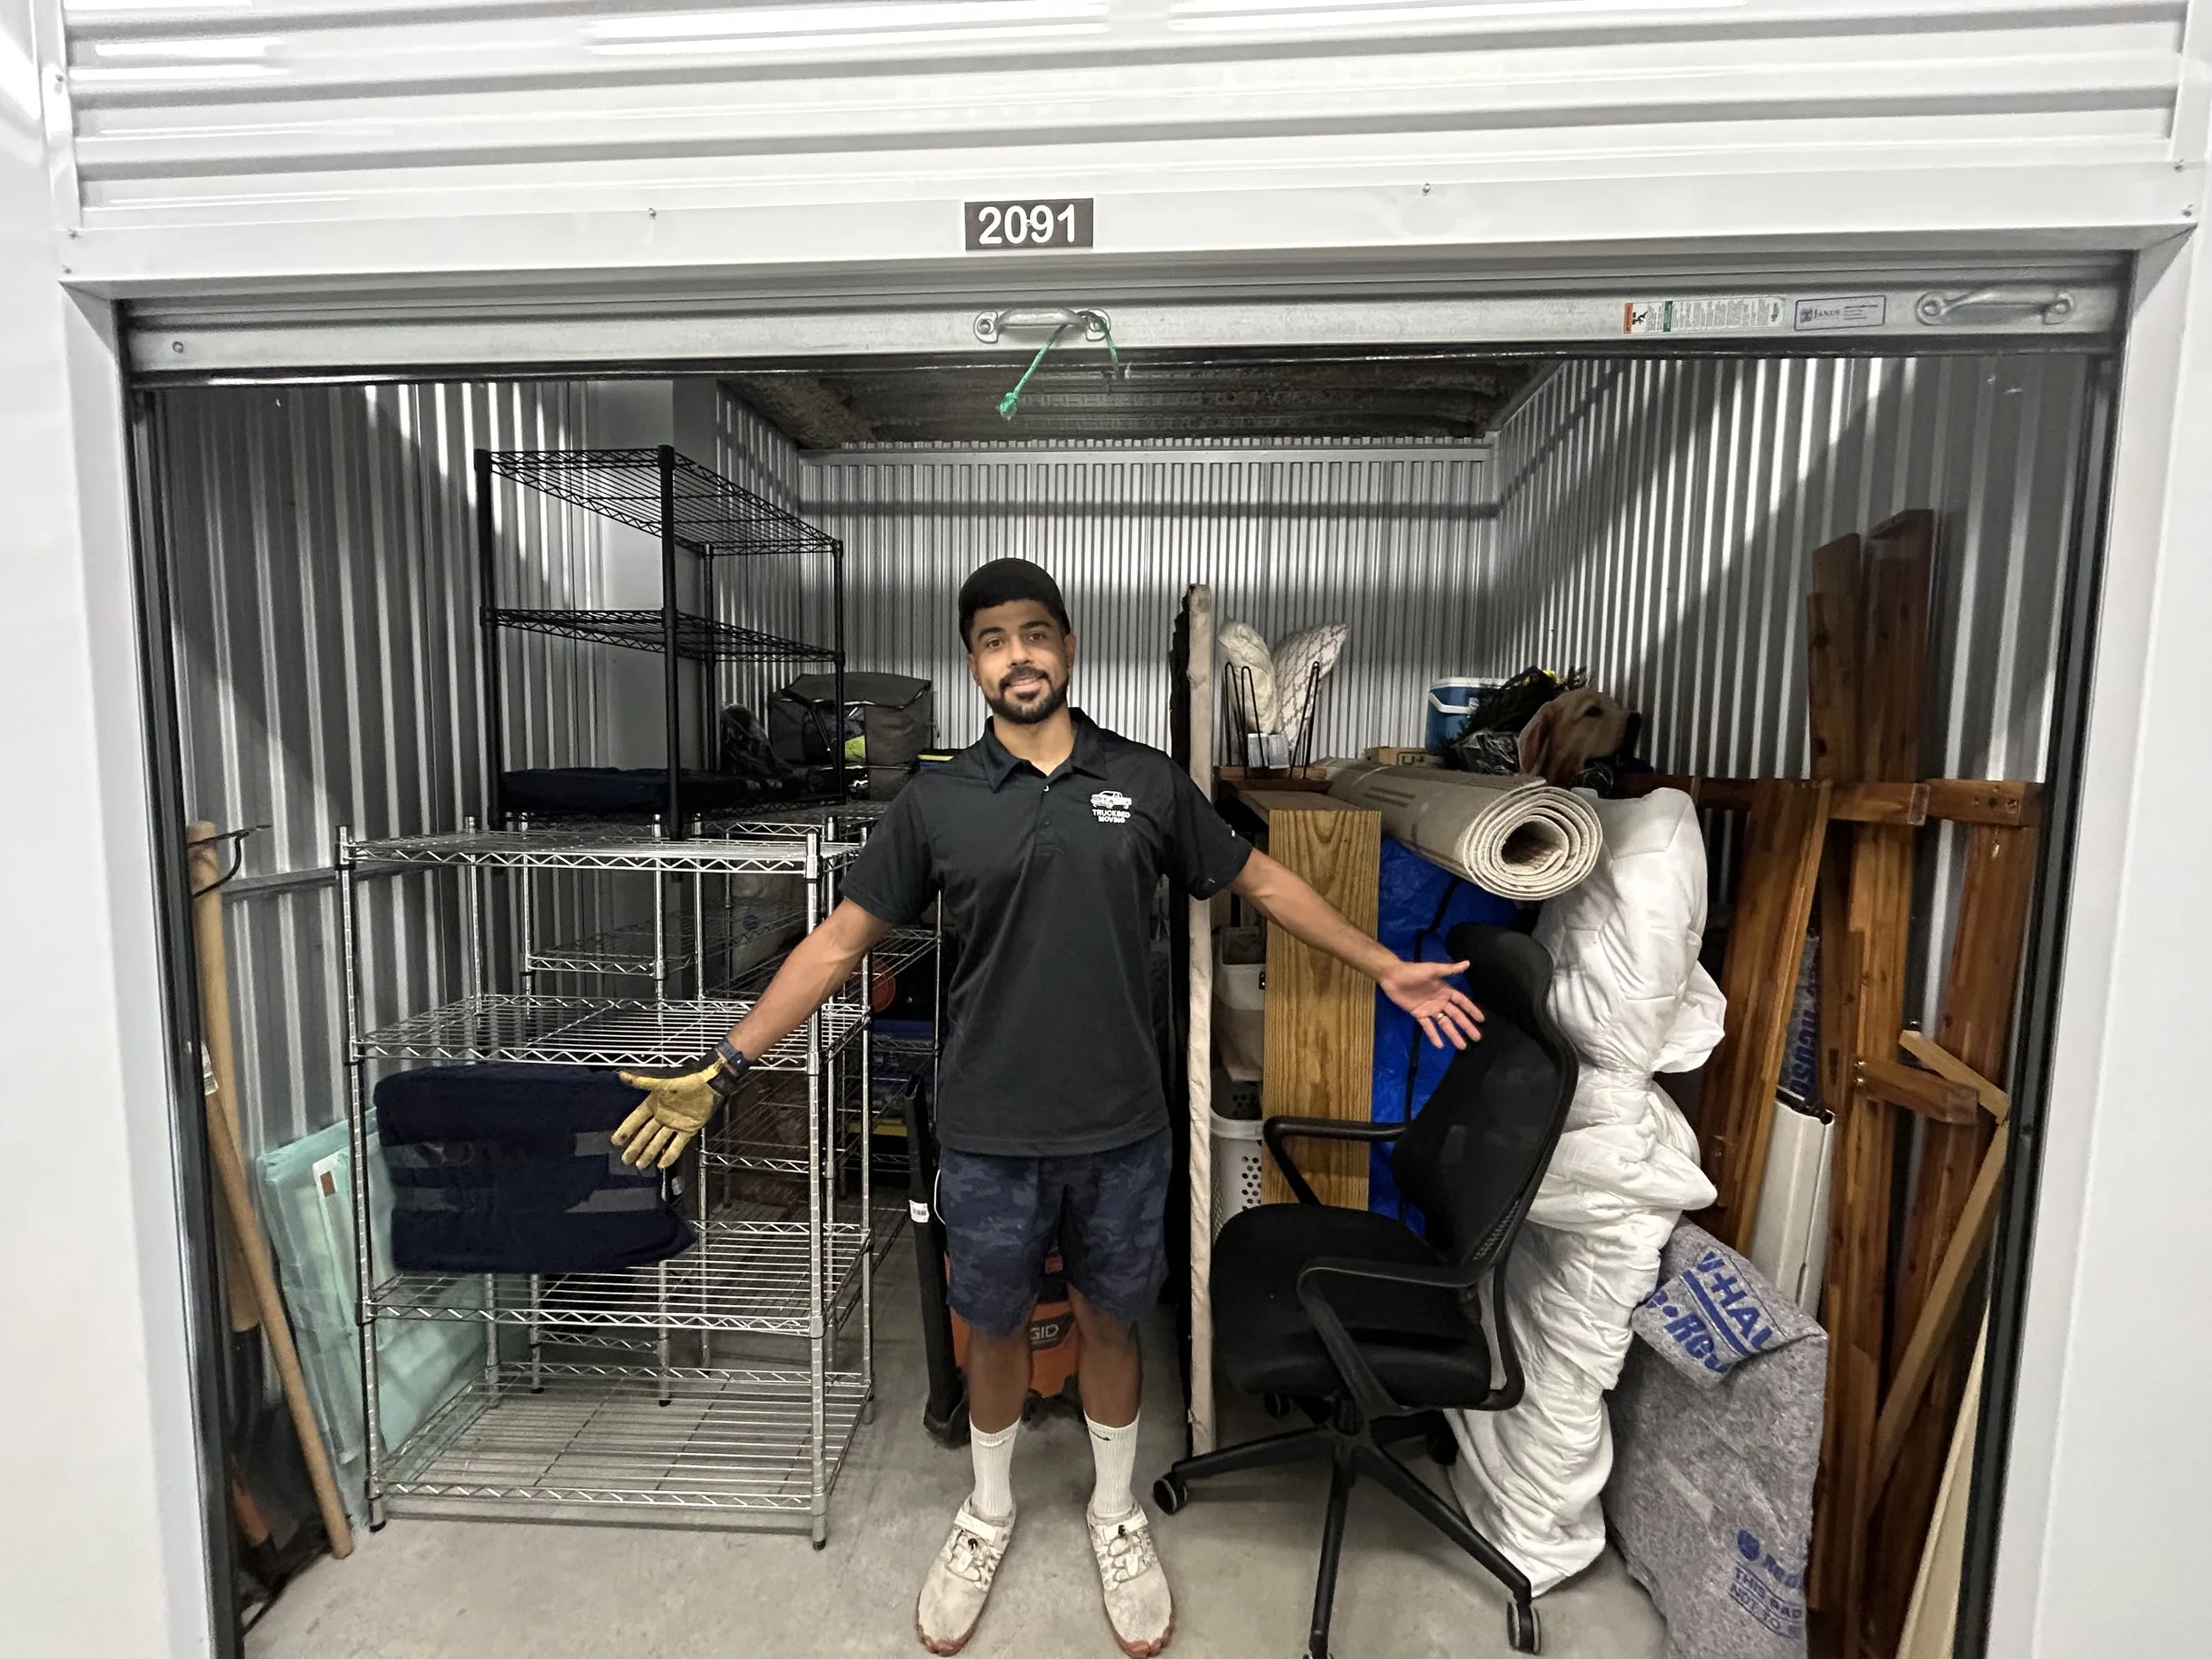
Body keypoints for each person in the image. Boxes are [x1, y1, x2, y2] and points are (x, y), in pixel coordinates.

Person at [611, 558, 1485, 1657]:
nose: (1016, 654)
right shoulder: (936, 802)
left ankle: (1114, 1513)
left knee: (1116, 1320)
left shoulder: (1149, 783)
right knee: (993, 1326)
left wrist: (1381, 966)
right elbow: (837, 943)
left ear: (1066, 647)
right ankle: (986, 1512)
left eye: (1035, 633)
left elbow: (1260, 882)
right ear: (971, 660)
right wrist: (724, 1066)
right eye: (990, 638)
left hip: (1123, 1128)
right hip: (985, 1131)